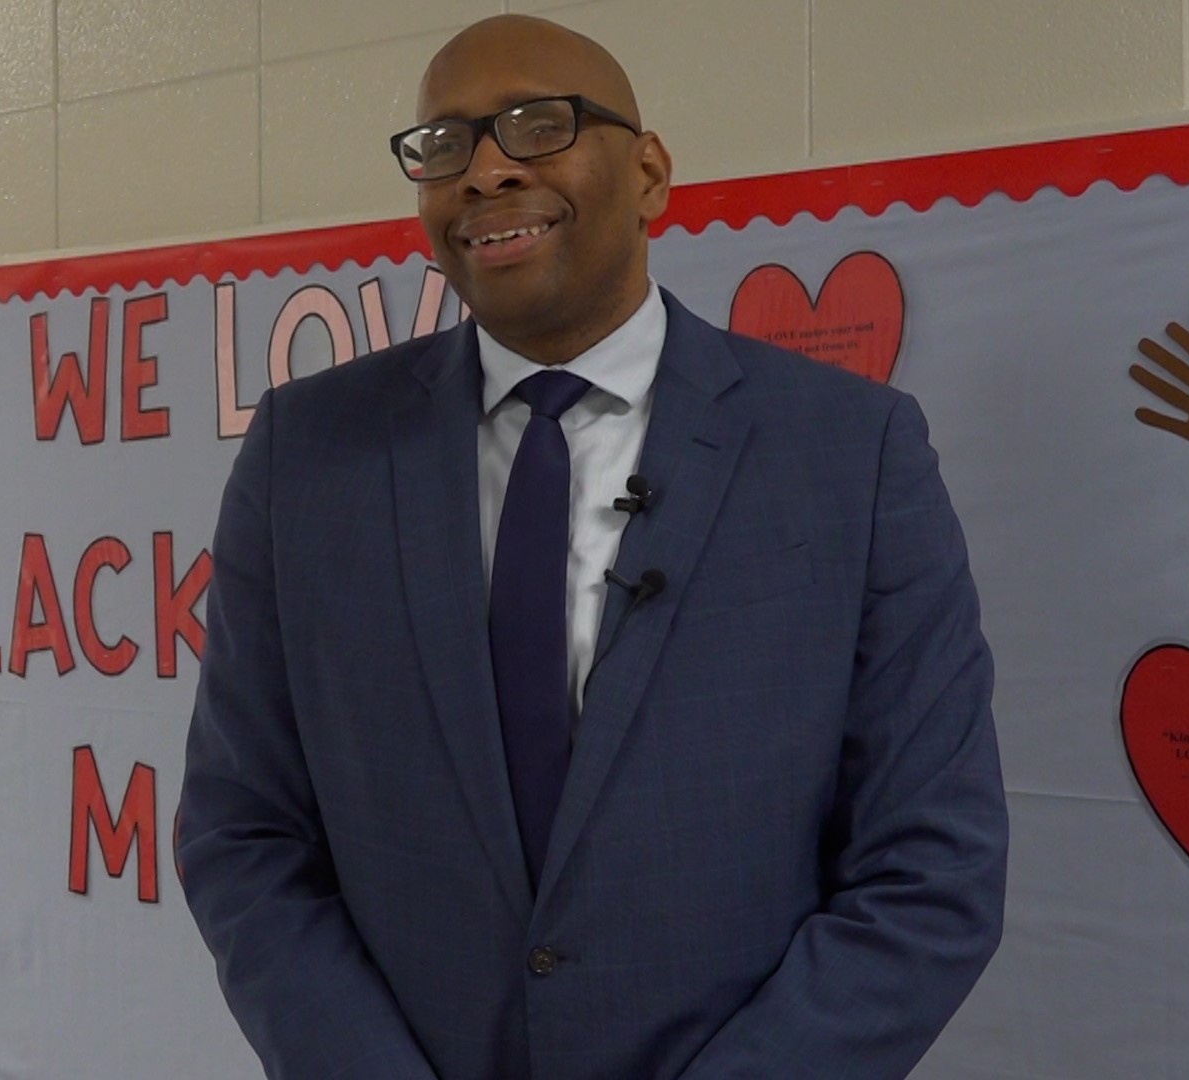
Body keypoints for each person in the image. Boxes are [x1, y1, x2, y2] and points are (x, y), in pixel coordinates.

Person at [179, 14, 1007, 1078]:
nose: (482, 171)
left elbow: (931, 867)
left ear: (651, 172)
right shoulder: (308, 454)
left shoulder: (852, 451)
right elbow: (244, 836)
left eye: (535, 125)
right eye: (443, 147)